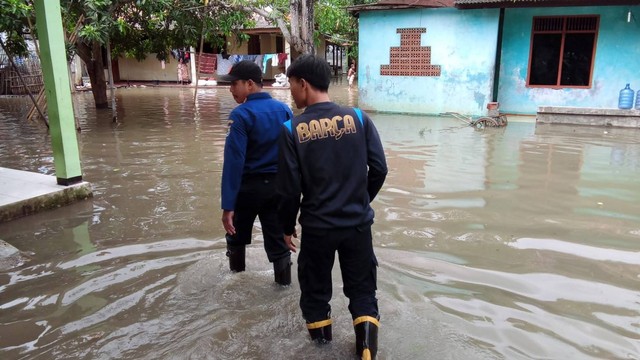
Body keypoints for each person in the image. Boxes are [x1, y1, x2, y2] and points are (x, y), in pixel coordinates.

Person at [276, 54, 388, 359]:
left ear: (304, 84)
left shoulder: (291, 130)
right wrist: (359, 200)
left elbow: (289, 191)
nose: (291, 93)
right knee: (363, 292)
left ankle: (321, 351)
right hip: (357, 226)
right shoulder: (360, 118)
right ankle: (365, 352)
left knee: (315, 293)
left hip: (317, 229)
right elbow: (379, 169)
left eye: (291, 86)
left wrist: (286, 228)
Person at [219, 60, 294, 285]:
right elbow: (293, 157)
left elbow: (234, 163)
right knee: (279, 244)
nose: (231, 89)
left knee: (235, 237)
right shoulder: (285, 110)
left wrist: (227, 206)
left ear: (249, 84)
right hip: (277, 189)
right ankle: (283, 288)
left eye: (234, 84)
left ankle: (236, 283)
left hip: (248, 190)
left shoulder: (240, 115)